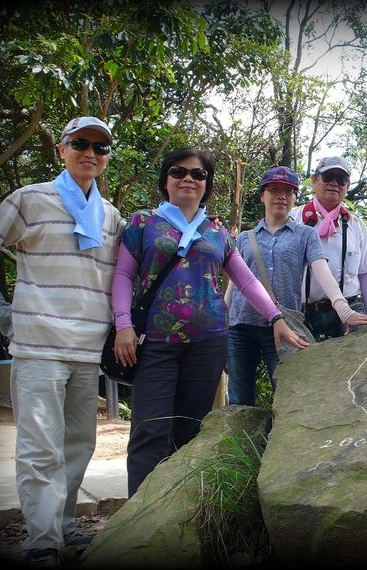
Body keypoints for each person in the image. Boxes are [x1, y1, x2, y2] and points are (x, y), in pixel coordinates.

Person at [0, 116, 125, 565]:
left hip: (88, 348)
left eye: (101, 146)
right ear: (63, 149)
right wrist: (0, 312)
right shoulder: (31, 199)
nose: (91, 152)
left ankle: (65, 526)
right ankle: (41, 541)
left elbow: (119, 279)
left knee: (79, 443)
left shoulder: (111, 217)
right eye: (81, 143)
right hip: (37, 345)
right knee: (40, 446)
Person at [112, 148, 305, 497]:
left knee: (191, 429)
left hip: (208, 343)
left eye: (198, 174)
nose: (188, 178)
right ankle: (137, 517)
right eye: (178, 171)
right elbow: (124, 274)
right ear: (165, 180)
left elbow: (246, 281)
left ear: (206, 184)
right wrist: (123, 324)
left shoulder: (216, 231)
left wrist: (275, 317)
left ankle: (177, 513)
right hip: (154, 342)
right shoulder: (143, 222)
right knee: (149, 430)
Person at [225, 166, 367, 406]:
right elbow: (236, 284)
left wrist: (343, 310)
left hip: (283, 327)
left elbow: (322, 272)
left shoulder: (305, 235)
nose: (281, 196)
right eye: (274, 190)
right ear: (263, 195)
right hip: (240, 326)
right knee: (239, 398)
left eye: (288, 191)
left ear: (295, 197)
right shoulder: (245, 238)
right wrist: (222, 323)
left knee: (288, 396)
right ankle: (240, 444)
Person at [289, 156, 367, 341]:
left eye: (341, 179)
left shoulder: (355, 225)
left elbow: (366, 272)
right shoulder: (293, 219)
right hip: (304, 312)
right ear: (314, 180)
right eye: (328, 177)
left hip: (351, 308)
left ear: (347, 186)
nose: (334, 184)